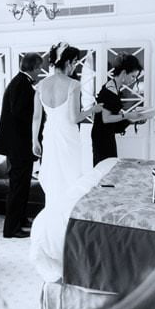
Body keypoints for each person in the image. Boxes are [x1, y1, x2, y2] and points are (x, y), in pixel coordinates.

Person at [31, 42, 102, 206]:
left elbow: (36, 117)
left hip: (49, 135)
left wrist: (34, 140)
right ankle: (67, 213)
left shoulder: (41, 85)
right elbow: (74, 118)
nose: (75, 66)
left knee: (53, 175)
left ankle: (53, 211)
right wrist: (93, 109)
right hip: (68, 135)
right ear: (68, 62)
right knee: (70, 176)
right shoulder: (73, 85)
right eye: (75, 62)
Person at [0, 52, 44, 239]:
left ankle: (21, 221)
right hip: (18, 147)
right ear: (33, 67)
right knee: (17, 188)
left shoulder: (21, 83)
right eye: (39, 67)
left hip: (19, 146)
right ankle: (11, 229)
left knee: (22, 187)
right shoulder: (21, 84)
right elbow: (21, 115)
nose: (41, 70)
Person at [91, 54, 155, 166]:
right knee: (105, 169)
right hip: (102, 137)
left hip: (105, 134)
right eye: (133, 76)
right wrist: (128, 116)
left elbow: (112, 117)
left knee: (109, 168)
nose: (134, 80)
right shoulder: (110, 90)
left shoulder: (114, 87)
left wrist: (134, 118)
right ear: (124, 72)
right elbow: (106, 119)